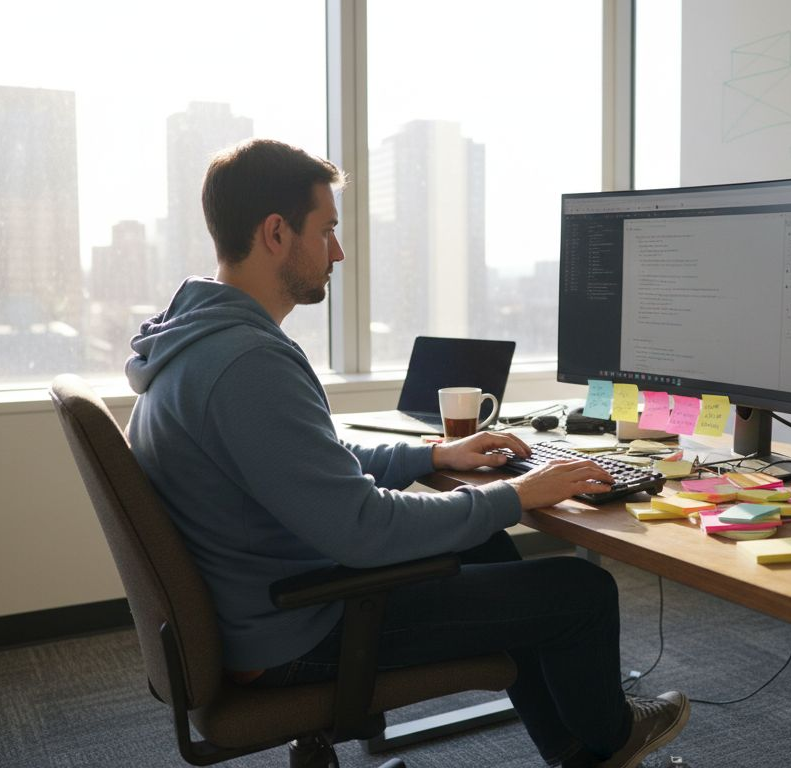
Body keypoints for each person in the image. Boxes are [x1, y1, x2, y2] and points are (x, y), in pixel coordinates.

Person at [124, 138, 689, 767]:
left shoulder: (198, 343)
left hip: (265, 601)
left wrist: (434, 459)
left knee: (485, 546)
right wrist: (515, 494)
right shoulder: (247, 363)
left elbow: (317, 461)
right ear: (277, 233)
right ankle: (609, 746)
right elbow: (363, 528)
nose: (337, 251)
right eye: (328, 230)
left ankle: (572, 748)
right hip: (297, 633)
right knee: (579, 591)